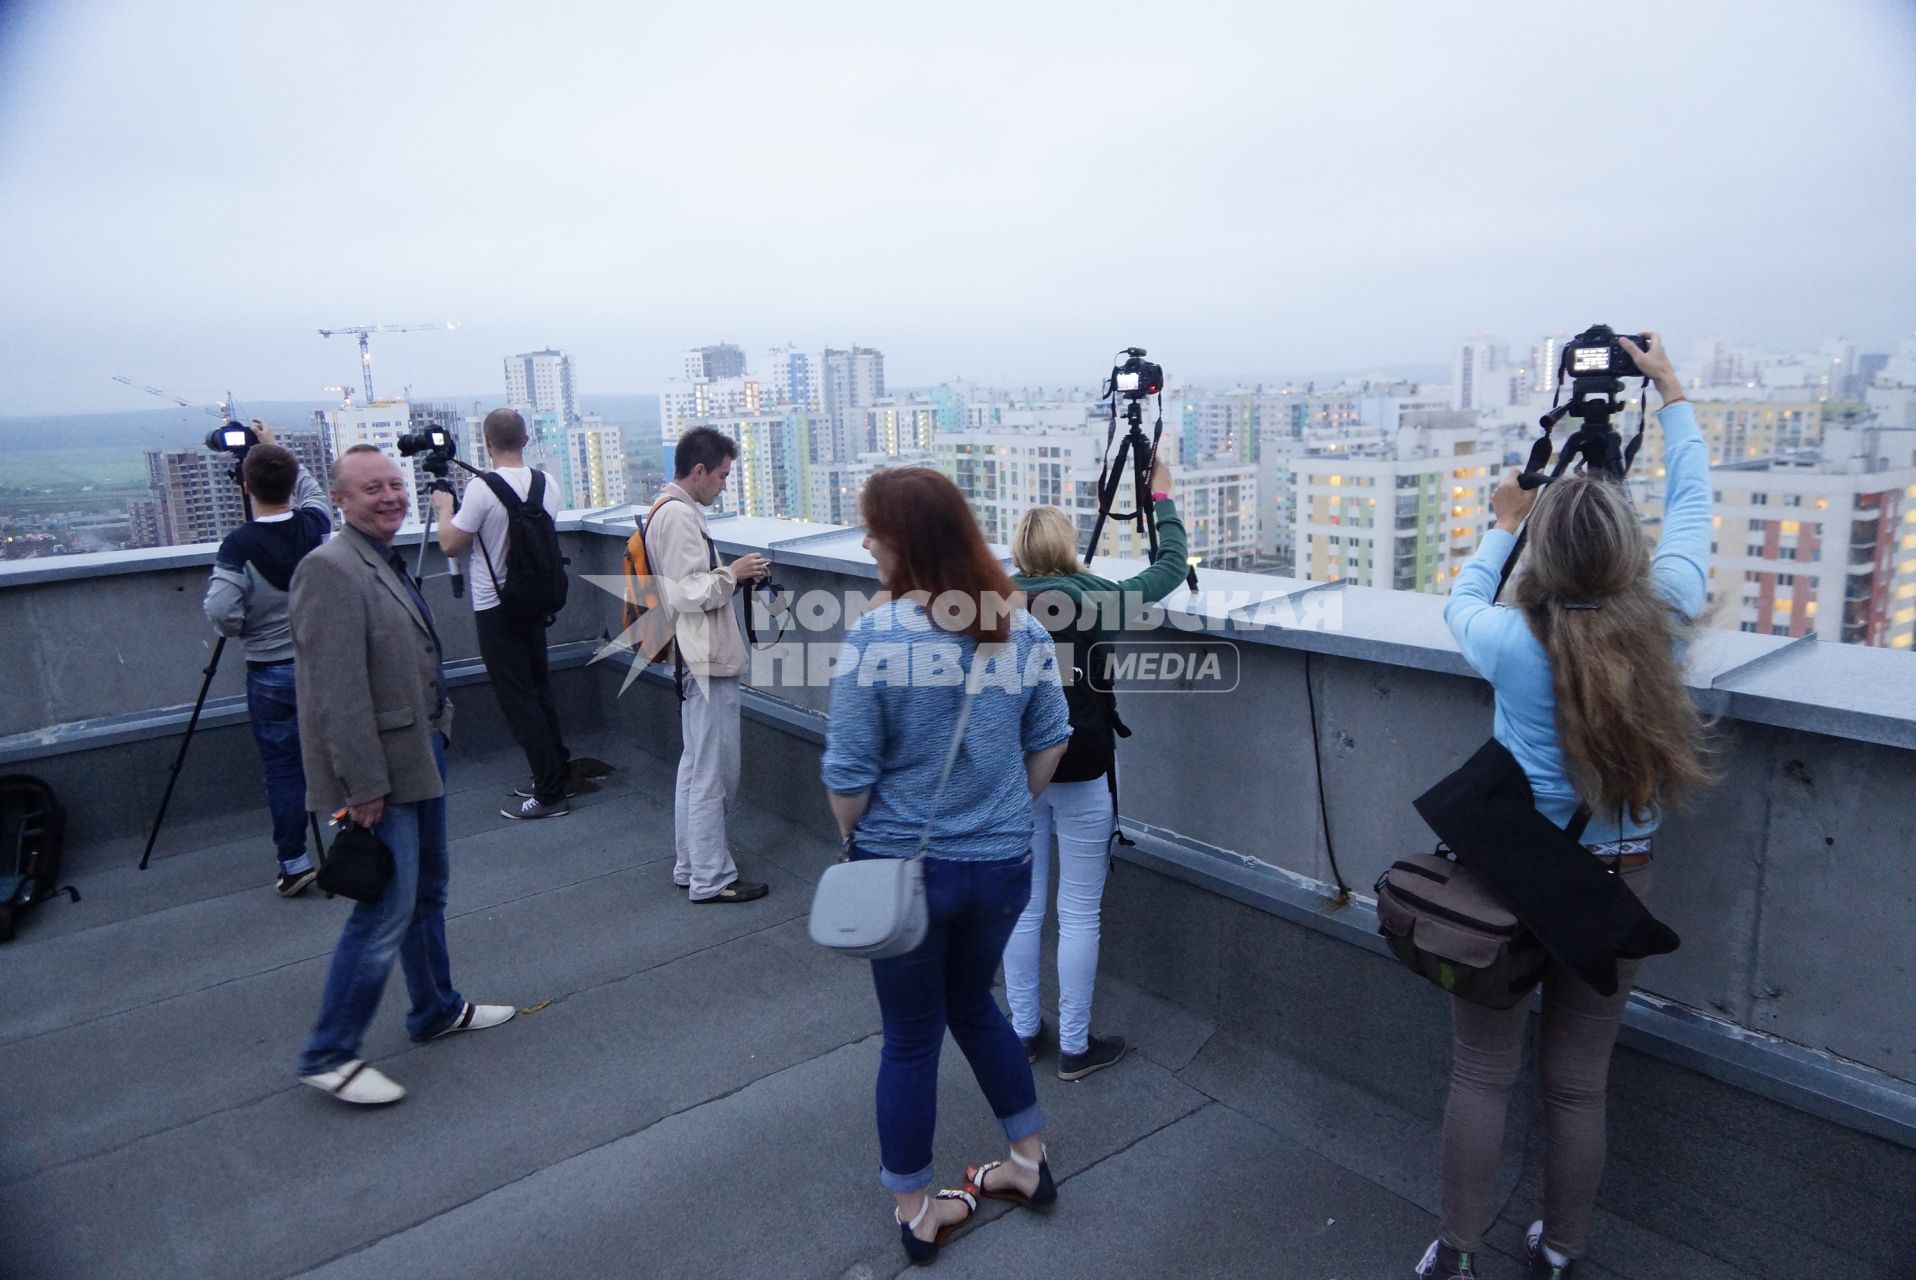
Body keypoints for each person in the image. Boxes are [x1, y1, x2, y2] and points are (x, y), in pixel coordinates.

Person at [1414, 333, 1712, 1280]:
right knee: (1579, 1086)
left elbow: (1461, 594)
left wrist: (1506, 517)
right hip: (1616, 882)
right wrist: (1668, 391)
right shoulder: (1665, 612)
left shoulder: (1510, 640)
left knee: (1480, 1073)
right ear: (1630, 548)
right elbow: (1696, 509)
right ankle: (1562, 1252)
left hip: (1506, 883)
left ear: (1547, 551)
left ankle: (1455, 1251)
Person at [820, 467, 1073, 1266]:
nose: (865, 543)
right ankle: (1028, 1164)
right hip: (1002, 867)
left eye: (873, 530)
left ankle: (918, 1210)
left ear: (905, 540)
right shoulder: (1021, 627)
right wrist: (1000, 811)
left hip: (909, 873)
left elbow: (848, 778)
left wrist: (854, 842)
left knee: (909, 1038)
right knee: (975, 1004)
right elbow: (1052, 739)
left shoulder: (877, 635)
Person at [290, 444, 515, 1106]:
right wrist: (362, 788)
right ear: (340, 499)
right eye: (371, 488)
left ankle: (435, 1008)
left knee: (426, 893)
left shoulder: (376, 558)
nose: (389, 496)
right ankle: (329, 1053)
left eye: (394, 483)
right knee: (384, 909)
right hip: (380, 775)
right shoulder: (328, 569)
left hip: (419, 754)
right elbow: (336, 693)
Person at [1001, 451, 1189, 1080]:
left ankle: (1024, 1034)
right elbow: (1168, 569)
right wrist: (1159, 497)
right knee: (1079, 910)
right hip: (1083, 763)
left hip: (1016, 770)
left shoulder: (993, 600)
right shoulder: (1097, 597)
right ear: (1066, 545)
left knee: (1023, 907)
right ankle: (1076, 1047)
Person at [203, 424, 334, 897]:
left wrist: (243, 629)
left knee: (284, 768)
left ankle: (295, 862)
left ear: (246, 487)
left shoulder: (239, 545)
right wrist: (276, 445)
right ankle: (350, 840)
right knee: (336, 751)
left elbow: (220, 608)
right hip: (322, 662)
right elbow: (313, 490)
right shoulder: (316, 525)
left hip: (269, 670)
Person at [647, 425, 772, 903]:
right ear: (698, 471)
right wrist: (732, 573)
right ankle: (712, 878)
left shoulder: (669, 509)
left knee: (696, 766)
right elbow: (687, 592)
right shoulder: (678, 516)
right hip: (703, 658)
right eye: (720, 476)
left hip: (692, 655)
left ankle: (691, 866)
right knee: (713, 773)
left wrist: (733, 576)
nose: (722, 485)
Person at [431, 408, 573, 821]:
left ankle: (549, 793)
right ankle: (556, 771)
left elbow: (452, 545)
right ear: (525, 440)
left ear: (487, 443)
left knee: (518, 700)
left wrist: (443, 508)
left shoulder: (480, 490)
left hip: (496, 607)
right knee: (539, 690)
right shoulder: (549, 485)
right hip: (535, 601)